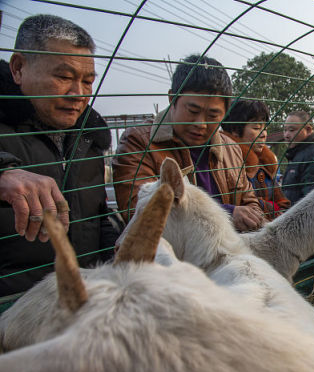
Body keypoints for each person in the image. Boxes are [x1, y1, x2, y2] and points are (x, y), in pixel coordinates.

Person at [0, 15, 118, 297]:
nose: (78, 93)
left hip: (85, 302)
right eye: (64, 77)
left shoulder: (89, 140)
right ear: (18, 69)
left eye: (88, 81)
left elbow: (96, 215)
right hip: (15, 311)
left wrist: (120, 247)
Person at [113, 54, 264, 232]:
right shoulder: (138, 142)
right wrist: (227, 214)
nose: (201, 124)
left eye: (213, 115)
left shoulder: (231, 149)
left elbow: (251, 204)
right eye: (192, 111)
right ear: (172, 99)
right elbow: (141, 212)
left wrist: (251, 217)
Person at [222, 99, 290, 219]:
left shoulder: (265, 165)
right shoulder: (224, 162)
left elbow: (283, 203)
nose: (264, 134)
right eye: (256, 128)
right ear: (235, 130)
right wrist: (271, 208)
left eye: (264, 128)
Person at [282, 110, 314, 204]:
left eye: (291, 130)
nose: (286, 135)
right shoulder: (299, 153)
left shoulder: (313, 155)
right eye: (285, 130)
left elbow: (312, 198)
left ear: (308, 130)